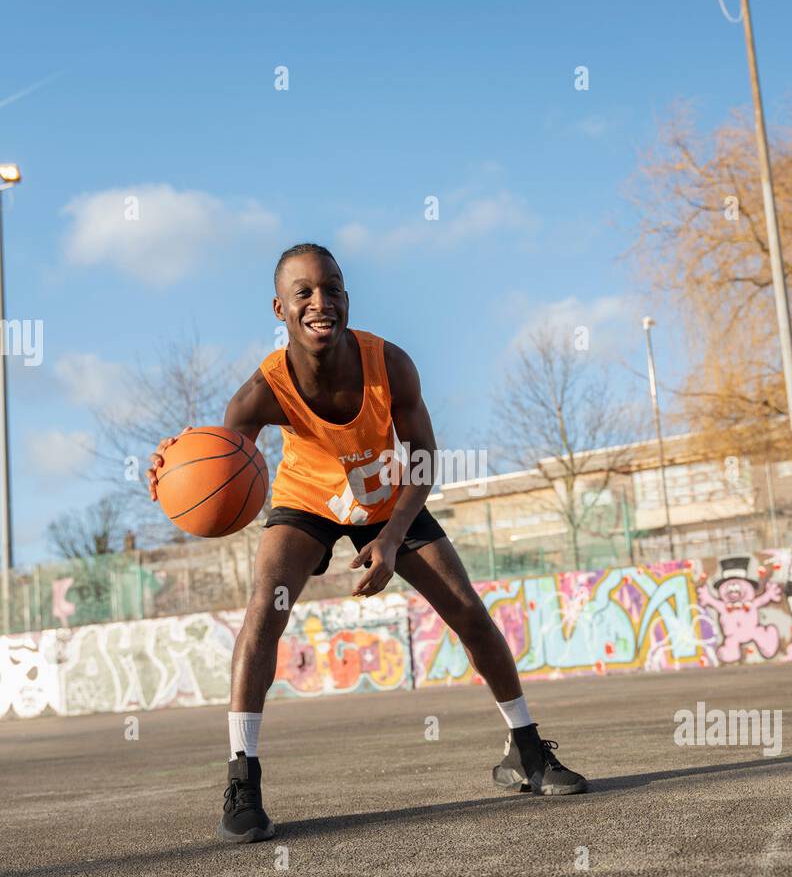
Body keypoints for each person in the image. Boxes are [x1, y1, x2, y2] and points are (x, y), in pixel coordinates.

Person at [148, 244, 586, 844]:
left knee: (468, 612)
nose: (320, 302)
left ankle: (527, 752)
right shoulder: (262, 391)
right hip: (307, 504)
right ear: (280, 307)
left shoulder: (391, 364)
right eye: (304, 293)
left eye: (331, 288)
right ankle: (242, 781)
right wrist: (175, 467)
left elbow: (424, 457)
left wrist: (392, 536)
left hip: (386, 502)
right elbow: (220, 462)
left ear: (347, 297)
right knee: (262, 619)